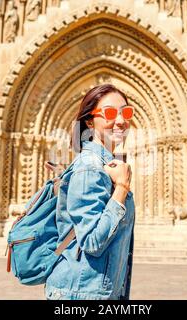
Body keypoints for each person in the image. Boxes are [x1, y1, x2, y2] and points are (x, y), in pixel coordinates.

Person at [45, 84, 135, 300]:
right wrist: (121, 189)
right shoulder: (90, 167)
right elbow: (92, 242)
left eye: (126, 112)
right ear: (89, 121)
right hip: (82, 293)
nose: (121, 120)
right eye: (110, 113)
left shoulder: (101, 164)